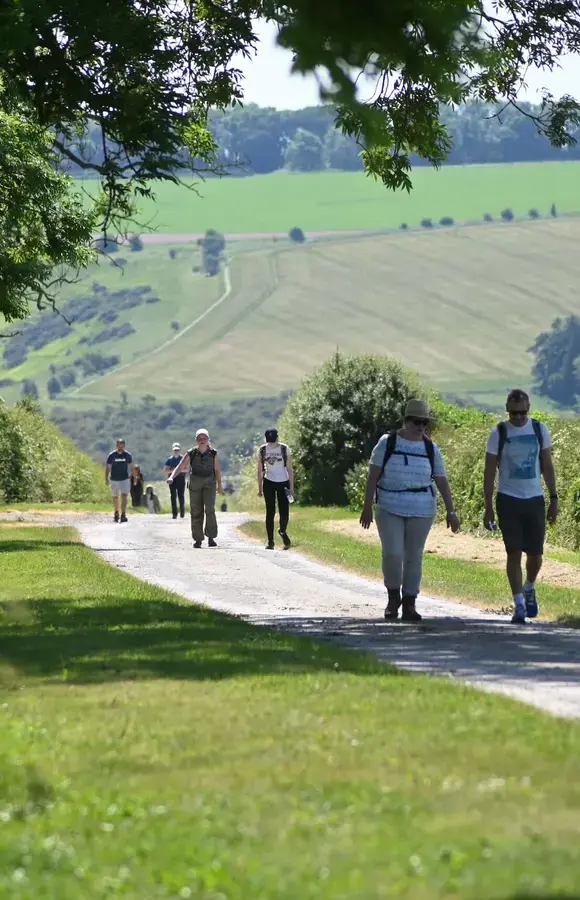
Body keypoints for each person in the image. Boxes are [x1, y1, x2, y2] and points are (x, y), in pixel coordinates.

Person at [360, 399, 460, 621]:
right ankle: (393, 597)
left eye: (424, 422)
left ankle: (410, 603)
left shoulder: (430, 448)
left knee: (414, 556)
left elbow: (442, 481)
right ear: (405, 421)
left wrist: (451, 511)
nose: (420, 426)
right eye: (415, 421)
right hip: (389, 506)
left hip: (422, 507)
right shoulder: (388, 442)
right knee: (393, 553)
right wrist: (367, 506)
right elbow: (372, 476)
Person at [483, 388, 558, 624]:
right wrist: (488, 506)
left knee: (535, 554)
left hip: (534, 498)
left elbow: (547, 464)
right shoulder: (499, 432)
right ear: (507, 411)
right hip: (507, 499)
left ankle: (529, 587)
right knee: (513, 552)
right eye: (513, 413)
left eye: (522, 413)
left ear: (528, 410)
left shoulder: (539, 429)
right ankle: (518, 605)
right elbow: (488, 472)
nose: (517, 418)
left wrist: (554, 497)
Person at [167, 428, 224, 548]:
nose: (202, 441)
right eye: (200, 439)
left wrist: (219, 486)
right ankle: (198, 539)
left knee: (210, 509)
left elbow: (217, 470)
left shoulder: (213, 453)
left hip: (209, 483)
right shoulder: (191, 453)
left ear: (208, 439)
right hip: (195, 483)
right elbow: (180, 466)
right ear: (196, 440)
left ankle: (211, 537)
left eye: (204, 438)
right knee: (196, 511)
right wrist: (172, 477)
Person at [257, 427, 294, 550]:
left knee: (284, 511)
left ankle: (282, 531)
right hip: (269, 482)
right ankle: (270, 541)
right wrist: (260, 488)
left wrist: (291, 488)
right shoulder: (262, 450)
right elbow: (260, 470)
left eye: (273, 440)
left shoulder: (284, 448)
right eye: (270, 440)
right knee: (270, 511)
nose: (272, 442)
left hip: (283, 482)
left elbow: (289, 469)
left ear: (277, 438)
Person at [105, 438, 136, 523]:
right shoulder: (112, 455)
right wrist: (106, 478)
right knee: (115, 497)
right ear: (116, 446)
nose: (120, 447)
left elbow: (132, 467)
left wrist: (135, 478)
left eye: (122, 445)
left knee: (124, 496)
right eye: (119, 445)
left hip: (124, 479)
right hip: (114, 479)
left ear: (124, 446)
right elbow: (108, 467)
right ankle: (116, 512)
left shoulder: (127, 455)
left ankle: (123, 514)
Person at [163, 442, 186, 519]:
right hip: (172, 480)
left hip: (181, 479)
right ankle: (174, 514)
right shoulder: (170, 460)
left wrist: (177, 470)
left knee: (181, 496)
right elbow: (165, 470)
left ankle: (182, 513)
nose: (176, 451)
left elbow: (186, 469)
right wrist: (174, 470)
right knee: (173, 496)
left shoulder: (183, 459)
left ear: (180, 450)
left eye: (177, 450)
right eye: (175, 450)